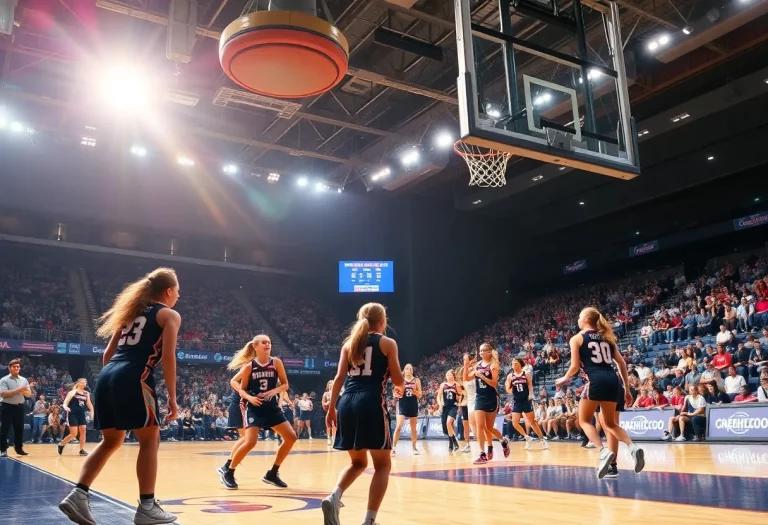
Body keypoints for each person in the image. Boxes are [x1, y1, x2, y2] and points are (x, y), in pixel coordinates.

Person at [59, 267, 181, 525]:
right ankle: (147, 506)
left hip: (107, 375)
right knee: (150, 440)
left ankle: (78, 494)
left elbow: (106, 355)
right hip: (135, 375)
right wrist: (172, 397)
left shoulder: (129, 313)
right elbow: (168, 358)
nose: (178, 296)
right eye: (177, 291)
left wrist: (112, 382)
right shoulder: (169, 315)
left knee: (111, 441)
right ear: (169, 291)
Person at [322, 303, 404, 525]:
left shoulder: (349, 344)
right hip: (370, 402)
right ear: (383, 321)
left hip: (346, 403)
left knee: (358, 463)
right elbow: (397, 380)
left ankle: (334, 496)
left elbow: (339, 378)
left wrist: (331, 408)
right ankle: (369, 520)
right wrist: (401, 385)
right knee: (383, 465)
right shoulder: (387, 343)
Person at [556, 307, 645, 479]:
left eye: (579, 317)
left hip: (595, 380)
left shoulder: (577, 338)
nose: (578, 320)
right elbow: (622, 364)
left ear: (586, 320)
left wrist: (564, 377)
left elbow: (575, 366)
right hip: (613, 381)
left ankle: (603, 451)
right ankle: (632, 447)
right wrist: (626, 389)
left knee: (583, 420)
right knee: (610, 424)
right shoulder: (607, 338)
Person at [220, 335, 297, 490]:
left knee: (291, 437)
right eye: (264, 342)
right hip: (254, 407)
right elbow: (241, 389)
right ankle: (229, 472)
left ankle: (273, 473)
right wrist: (250, 398)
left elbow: (285, 384)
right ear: (255, 347)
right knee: (250, 441)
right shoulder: (249, 366)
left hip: (271, 407)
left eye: (269, 342)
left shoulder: (276, 362)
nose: (267, 344)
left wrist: (273, 391)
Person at [462, 343, 510, 464]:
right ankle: (482, 453)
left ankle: (503, 440)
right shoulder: (477, 365)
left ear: (489, 352)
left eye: (483, 350)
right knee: (480, 426)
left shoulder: (493, 365)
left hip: (491, 397)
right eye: (480, 350)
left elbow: (494, 383)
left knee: (489, 427)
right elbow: (466, 378)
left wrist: (482, 377)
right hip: (480, 397)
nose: (481, 352)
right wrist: (466, 366)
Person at [504, 358, 547, 450]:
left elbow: (530, 386)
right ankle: (527, 438)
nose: (513, 365)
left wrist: (531, 395)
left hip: (526, 400)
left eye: (515, 363)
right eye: (512, 363)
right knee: (515, 423)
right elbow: (507, 389)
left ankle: (542, 439)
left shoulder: (526, 374)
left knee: (532, 422)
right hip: (517, 401)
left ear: (520, 364)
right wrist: (512, 389)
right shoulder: (510, 376)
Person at [217, 367, 248, 476]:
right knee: (246, 438)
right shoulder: (248, 369)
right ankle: (227, 466)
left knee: (247, 439)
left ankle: (228, 466)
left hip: (245, 407)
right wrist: (245, 394)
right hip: (237, 406)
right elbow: (233, 382)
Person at [0, 358, 31, 457]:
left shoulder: (24, 380)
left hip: (19, 407)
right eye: (14, 367)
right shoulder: (4, 380)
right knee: (5, 429)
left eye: (18, 367)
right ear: (9, 368)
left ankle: (19, 448)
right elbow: (4, 394)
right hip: (7, 407)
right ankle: (3, 449)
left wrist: (21, 390)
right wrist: (19, 390)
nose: (16, 368)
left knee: (19, 429)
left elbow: (28, 394)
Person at [58, 379, 94, 456]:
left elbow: (89, 404)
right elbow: (65, 402)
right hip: (72, 413)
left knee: (83, 431)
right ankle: (61, 444)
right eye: (83, 382)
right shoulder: (73, 392)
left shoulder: (86, 393)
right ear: (78, 383)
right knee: (74, 434)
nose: (84, 383)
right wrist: (65, 407)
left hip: (81, 414)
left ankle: (82, 450)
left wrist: (92, 412)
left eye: (85, 382)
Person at [391, 364, 421, 456]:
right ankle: (394, 447)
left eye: (411, 368)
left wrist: (415, 392)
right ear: (404, 370)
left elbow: (420, 395)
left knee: (413, 429)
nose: (409, 370)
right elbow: (394, 392)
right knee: (399, 426)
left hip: (413, 404)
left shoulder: (416, 380)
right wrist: (396, 394)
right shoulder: (400, 380)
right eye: (407, 368)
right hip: (402, 404)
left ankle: (414, 447)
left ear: (412, 370)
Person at [437, 370, 460, 452]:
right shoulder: (443, 385)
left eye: (450, 374)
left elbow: (460, 396)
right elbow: (439, 396)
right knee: (446, 427)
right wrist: (440, 405)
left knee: (448, 422)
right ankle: (453, 442)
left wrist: (459, 404)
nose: (448, 375)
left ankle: (452, 443)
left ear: (453, 376)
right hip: (445, 407)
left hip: (453, 406)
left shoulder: (456, 385)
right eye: (447, 374)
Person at [460, 358, 477, 453]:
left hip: (475, 403)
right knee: (466, 425)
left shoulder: (476, 378)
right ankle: (467, 444)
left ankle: (481, 442)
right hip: (466, 404)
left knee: (475, 424)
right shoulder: (464, 382)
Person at [322, 380, 336, 446]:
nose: (331, 384)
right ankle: (328, 438)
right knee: (328, 425)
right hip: (328, 410)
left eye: (332, 383)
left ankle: (334, 437)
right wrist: (326, 404)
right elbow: (323, 403)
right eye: (330, 383)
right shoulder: (325, 393)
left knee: (334, 425)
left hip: (336, 410)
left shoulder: (337, 392)